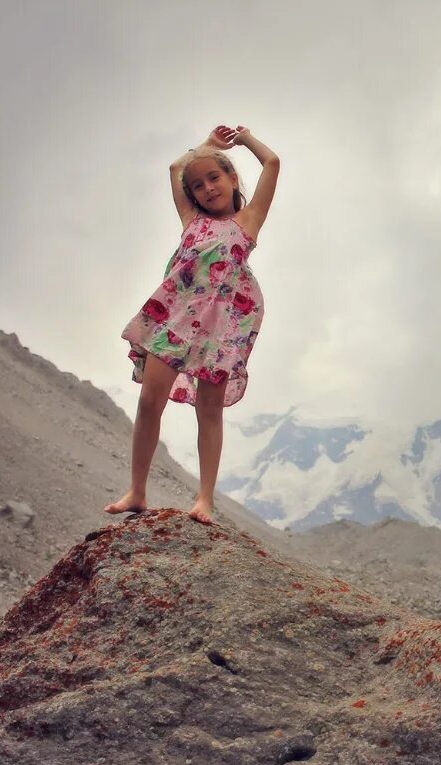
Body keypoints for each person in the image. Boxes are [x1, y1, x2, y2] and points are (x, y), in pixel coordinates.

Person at [105, 124, 279, 524]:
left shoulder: (248, 221)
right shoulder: (191, 218)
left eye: (214, 178)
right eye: (198, 185)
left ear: (233, 178)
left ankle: (204, 499)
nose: (206, 189)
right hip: (176, 318)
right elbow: (174, 168)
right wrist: (207, 146)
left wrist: (245, 138)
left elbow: (272, 162)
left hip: (222, 325)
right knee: (150, 401)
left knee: (209, 410)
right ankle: (137, 491)